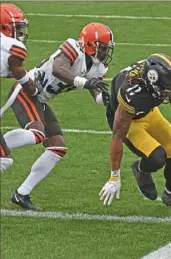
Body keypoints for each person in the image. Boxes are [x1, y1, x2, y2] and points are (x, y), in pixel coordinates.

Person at [4, 22, 114, 210]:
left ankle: (22, 193)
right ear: (89, 44)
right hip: (27, 89)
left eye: (106, 49)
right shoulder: (73, 47)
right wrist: (83, 82)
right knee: (37, 133)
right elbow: (58, 68)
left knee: (57, 147)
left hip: (41, 99)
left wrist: (106, 99)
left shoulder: (98, 68)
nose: (105, 52)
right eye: (102, 48)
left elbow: (95, 93)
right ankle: (1, 148)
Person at [99, 53, 171, 211]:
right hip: (129, 120)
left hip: (149, 112)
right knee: (157, 157)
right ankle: (140, 169)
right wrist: (114, 175)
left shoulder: (164, 79)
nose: (169, 94)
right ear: (152, 84)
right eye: (165, 90)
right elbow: (117, 136)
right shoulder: (131, 93)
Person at [0, 3, 36, 173]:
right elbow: (26, 84)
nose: (21, 34)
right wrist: (36, 90)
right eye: (18, 29)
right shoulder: (13, 47)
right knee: (4, 159)